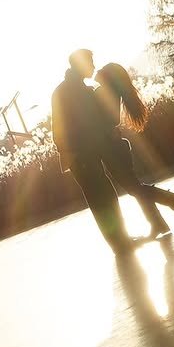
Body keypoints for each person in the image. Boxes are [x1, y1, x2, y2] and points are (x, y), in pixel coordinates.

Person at [95, 61, 174, 238]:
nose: (97, 71)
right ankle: (158, 222)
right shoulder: (108, 92)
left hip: (113, 149)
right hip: (116, 147)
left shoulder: (104, 93)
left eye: (101, 70)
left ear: (107, 77)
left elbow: (106, 120)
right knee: (136, 188)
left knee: (135, 189)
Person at [51, 49, 129, 250]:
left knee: (104, 195)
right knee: (100, 198)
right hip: (80, 155)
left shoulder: (80, 90)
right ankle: (119, 243)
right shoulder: (68, 92)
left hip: (86, 154)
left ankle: (120, 241)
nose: (94, 66)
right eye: (91, 62)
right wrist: (73, 153)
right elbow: (62, 128)